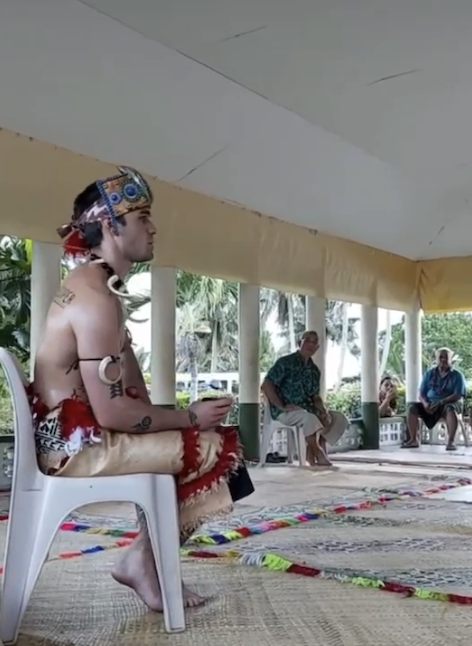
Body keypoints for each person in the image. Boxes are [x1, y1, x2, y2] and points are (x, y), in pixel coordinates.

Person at [29, 166, 245, 611]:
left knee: (207, 441)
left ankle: (144, 559)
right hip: (74, 447)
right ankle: (142, 560)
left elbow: (134, 399)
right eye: (142, 217)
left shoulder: (97, 288)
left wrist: (180, 416)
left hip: (74, 435)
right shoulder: (96, 301)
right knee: (214, 449)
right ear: (110, 226)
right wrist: (190, 418)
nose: (152, 228)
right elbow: (111, 416)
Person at [261, 330, 349, 467]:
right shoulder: (285, 362)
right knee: (309, 418)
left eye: (314, 342)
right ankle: (318, 453)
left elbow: (315, 397)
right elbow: (266, 384)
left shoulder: (314, 370)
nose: (311, 344)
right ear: (299, 342)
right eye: (307, 340)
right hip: (286, 411)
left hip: (308, 409)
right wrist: (281, 406)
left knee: (338, 418)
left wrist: (323, 411)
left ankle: (315, 447)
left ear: (318, 348)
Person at [404, 347, 467, 450]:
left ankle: (451, 442)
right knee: (411, 407)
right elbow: (421, 393)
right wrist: (425, 403)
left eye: (446, 357)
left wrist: (442, 402)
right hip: (430, 404)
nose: (443, 359)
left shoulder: (457, 375)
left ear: (450, 359)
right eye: (440, 357)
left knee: (450, 409)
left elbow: (458, 395)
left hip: (449, 403)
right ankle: (413, 440)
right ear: (436, 359)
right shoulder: (429, 373)